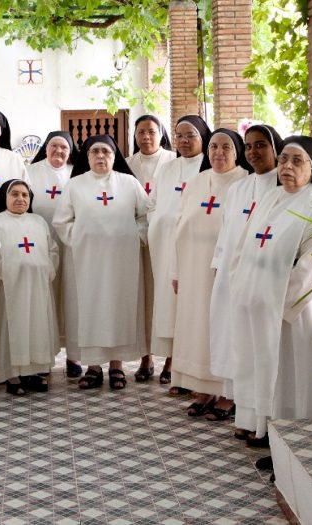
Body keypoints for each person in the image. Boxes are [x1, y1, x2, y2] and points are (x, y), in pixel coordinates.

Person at [230, 135, 312, 454]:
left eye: (296, 161)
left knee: (291, 376)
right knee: (264, 369)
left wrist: (280, 301)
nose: (287, 167)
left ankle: (293, 438)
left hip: (295, 311)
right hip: (260, 305)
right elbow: (245, 245)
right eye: (283, 160)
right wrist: (241, 285)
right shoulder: (271, 198)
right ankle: (264, 426)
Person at [53, 135, 148, 390]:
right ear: (87, 156)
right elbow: (62, 220)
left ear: (114, 155)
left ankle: (116, 366)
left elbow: (146, 214)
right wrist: (80, 239)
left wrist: (134, 237)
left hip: (122, 261)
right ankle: (93, 367)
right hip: (85, 262)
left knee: (118, 308)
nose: (100, 156)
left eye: (106, 151)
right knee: (89, 310)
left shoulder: (129, 183)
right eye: (95, 151)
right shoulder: (75, 185)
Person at [170, 128, 249, 416]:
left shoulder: (245, 183)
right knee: (197, 329)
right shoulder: (197, 182)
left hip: (225, 272)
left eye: (226, 146)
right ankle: (204, 389)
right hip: (193, 269)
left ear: (237, 151)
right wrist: (176, 270)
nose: (218, 152)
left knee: (224, 329)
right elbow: (178, 227)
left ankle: (228, 394)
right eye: (214, 146)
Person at [208, 125, 283, 425]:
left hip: (261, 276)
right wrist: (217, 265)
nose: (253, 152)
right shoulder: (238, 187)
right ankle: (235, 399)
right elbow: (226, 232)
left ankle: (259, 410)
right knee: (230, 335)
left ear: (275, 149)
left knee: (254, 342)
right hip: (230, 272)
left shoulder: (283, 186)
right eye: (249, 146)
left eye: (261, 145)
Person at [146, 115, 211, 390]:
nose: (183, 141)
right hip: (164, 248)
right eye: (179, 135)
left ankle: (188, 367)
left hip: (196, 250)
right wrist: (157, 225)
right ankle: (172, 360)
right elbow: (153, 205)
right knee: (170, 306)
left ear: (203, 138)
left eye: (190, 135)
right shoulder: (167, 168)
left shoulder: (209, 167)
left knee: (192, 308)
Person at [0, 179, 60, 395]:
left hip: (38, 286)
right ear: (5, 198)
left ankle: (33, 373)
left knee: (36, 327)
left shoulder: (39, 221)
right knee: (12, 329)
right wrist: (5, 271)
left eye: (25, 195)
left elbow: (53, 250)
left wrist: (47, 269)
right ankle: (12, 376)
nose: (20, 199)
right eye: (15, 194)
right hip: (9, 287)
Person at [126, 115, 176, 382]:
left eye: (151, 131)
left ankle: (171, 360)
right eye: (141, 131)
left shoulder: (173, 161)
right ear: (134, 135)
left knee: (165, 298)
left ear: (161, 134)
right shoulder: (127, 164)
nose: (146, 136)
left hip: (165, 240)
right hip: (137, 241)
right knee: (144, 298)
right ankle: (146, 358)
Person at [27, 131, 81, 377]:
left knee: (72, 299)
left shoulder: (76, 173)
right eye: (53, 146)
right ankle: (43, 358)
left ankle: (74, 357)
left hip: (71, 245)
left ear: (70, 152)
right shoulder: (30, 171)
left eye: (64, 148)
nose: (58, 152)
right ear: (45, 148)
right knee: (43, 300)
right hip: (39, 244)